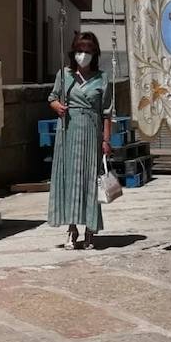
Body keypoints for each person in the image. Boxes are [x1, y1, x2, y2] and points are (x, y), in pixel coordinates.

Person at [48, 33, 113, 250]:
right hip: (68, 132)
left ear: (94, 53)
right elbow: (52, 97)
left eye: (86, 51)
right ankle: (72, 228)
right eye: (78, 51)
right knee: (70, 180)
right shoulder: (64, 75)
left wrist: (106, 140)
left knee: (90, 181)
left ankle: (90, 230)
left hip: (91, 133)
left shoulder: (102, 78)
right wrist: (57, 106)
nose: (82, 55)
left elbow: (106, 112)